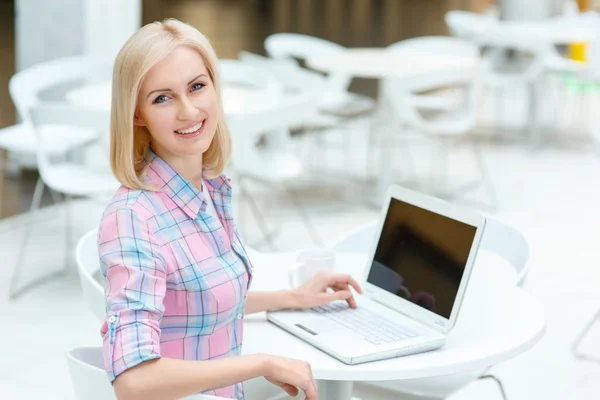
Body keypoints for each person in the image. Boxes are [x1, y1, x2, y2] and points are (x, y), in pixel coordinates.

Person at [98, 18, 362, 400]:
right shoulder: (133, 218)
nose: (188, 110)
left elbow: (194, 303)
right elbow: (133, 380)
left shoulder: (206, 188)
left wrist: (293, 297)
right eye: (162, 97)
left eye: (197, 87)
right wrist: (262, 364)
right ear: (137, 113)